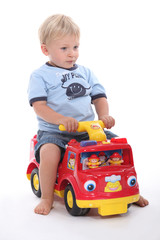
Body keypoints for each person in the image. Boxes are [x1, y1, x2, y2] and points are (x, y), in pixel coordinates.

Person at [28, 14, 148, 215]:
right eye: (64, 48)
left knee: (119, 147)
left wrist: (104, 116)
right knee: (50, 152)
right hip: (55, 132)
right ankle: (47, 197)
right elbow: (39, 106)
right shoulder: (40, 75)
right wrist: (61, 120)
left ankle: (129, 190)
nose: (71, 53)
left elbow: (99, 97)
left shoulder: (86, 72)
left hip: (87, 131)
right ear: (45, 50)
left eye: (75, 47)